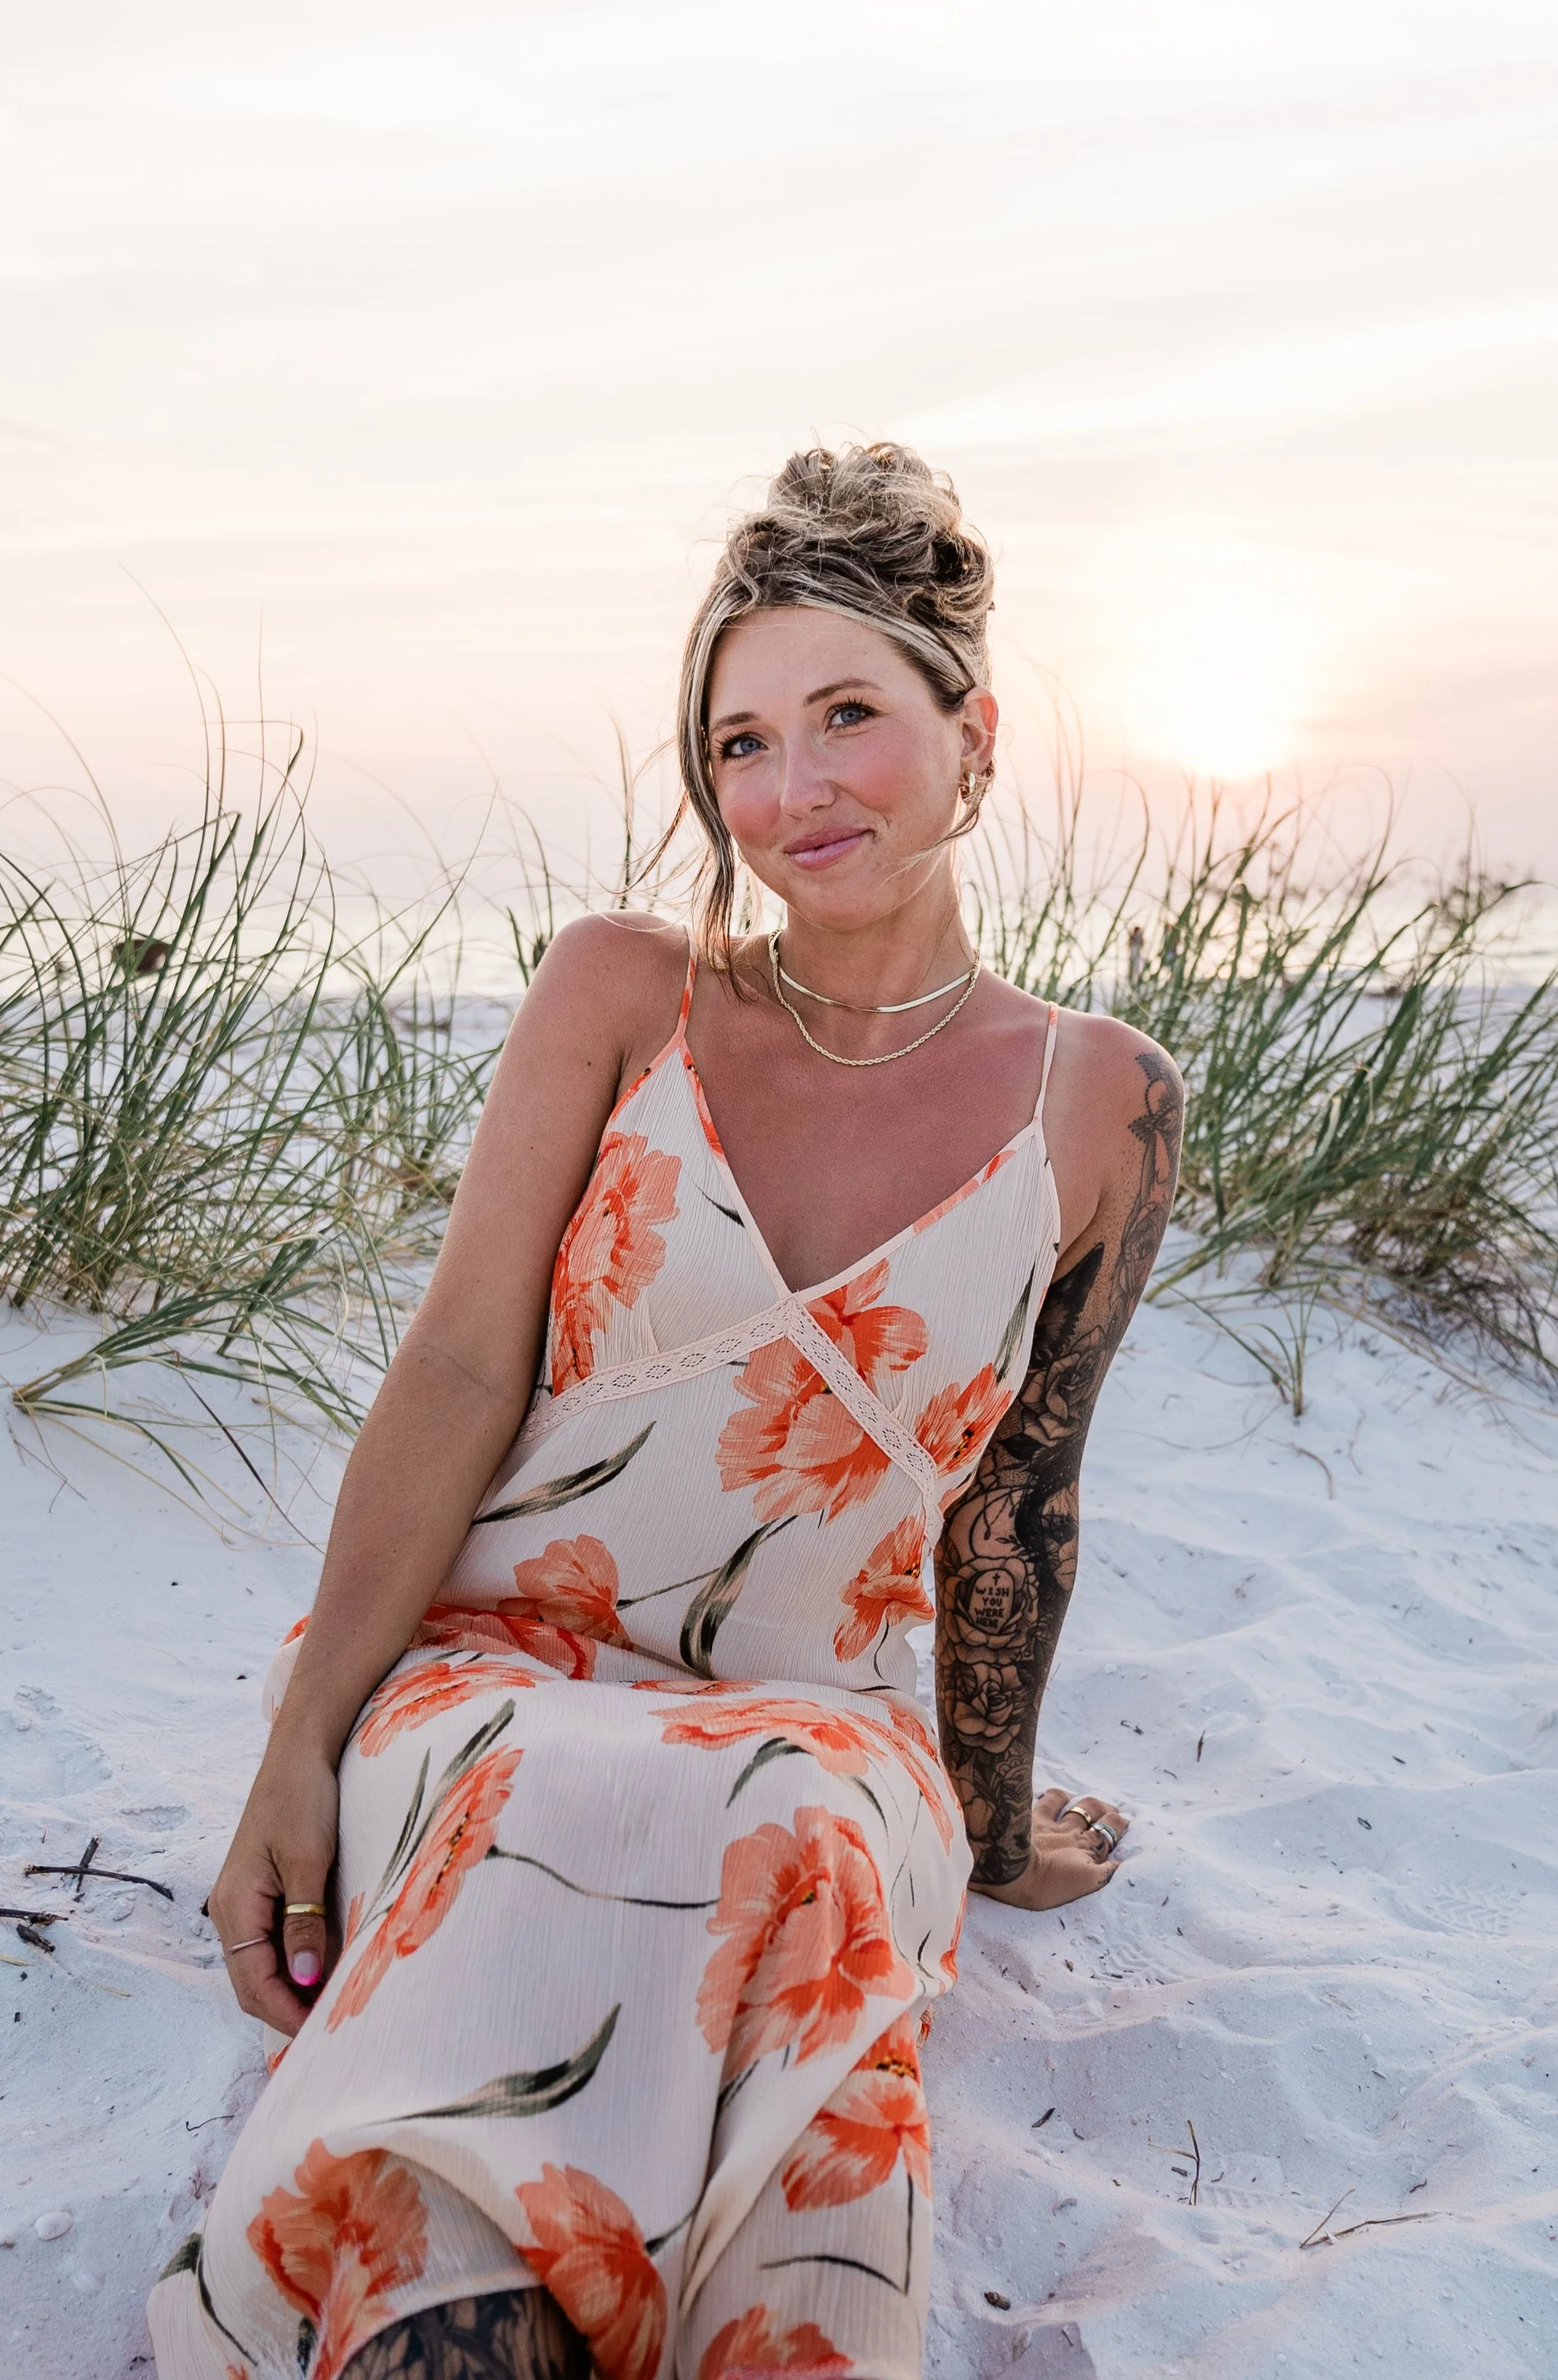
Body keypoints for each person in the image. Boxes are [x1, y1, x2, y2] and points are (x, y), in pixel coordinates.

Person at [149, 444, 1183, 2380]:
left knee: (791, 1816)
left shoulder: (1099, 1099)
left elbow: (1018, 1503)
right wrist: (297, 1747)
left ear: (972, 735)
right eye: (739, 744)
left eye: (847, 717)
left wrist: (984, 1821)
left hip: (821, 1723)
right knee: (552, 1787)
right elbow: (459, 1369)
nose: (793, 792)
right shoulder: (621, 992)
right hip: (495, 1674)